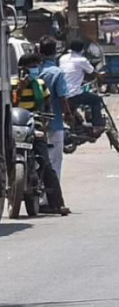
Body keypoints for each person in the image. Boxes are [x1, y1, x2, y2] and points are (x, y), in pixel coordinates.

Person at [13, 54, 69, 215]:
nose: (33, 70)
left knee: (45, 162)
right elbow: (10, 103)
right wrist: (20, 89)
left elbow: (47, 106)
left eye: (35, 66)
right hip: (16, 126)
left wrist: (45, 124)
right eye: (31, 66)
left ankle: (57, 203)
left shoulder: (40, 84)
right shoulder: (13, 85)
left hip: (35, 125)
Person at [36, 36, 74, 182]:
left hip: (35, 122)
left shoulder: (35, 71)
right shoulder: (57, 72)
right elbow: (63, 98)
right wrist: (69, 115)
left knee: (38, 160)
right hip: (54, 122)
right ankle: (52, 196)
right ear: (55, 52)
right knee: (55, 161)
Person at [59, 38, 104, 137]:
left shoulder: (63, 58)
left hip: (61, 92)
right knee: (96, 100)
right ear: (82, 49)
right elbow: (94, 73)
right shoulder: (82, 60)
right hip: (73, 93)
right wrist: (101, 77)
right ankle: (97, 125)